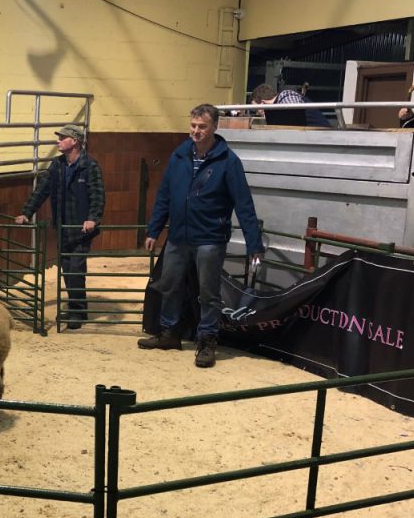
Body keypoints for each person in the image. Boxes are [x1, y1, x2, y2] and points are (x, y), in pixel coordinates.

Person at [138, 103, 264, 368]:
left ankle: (207, 339)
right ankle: (169, 332)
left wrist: (254, 243)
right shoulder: (179, 155)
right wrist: (154, 229)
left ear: (214, 127)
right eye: (193, 126)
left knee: (208, 292)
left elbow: (243, 204)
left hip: (209, 237)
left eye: (202, 127)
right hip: (178, 236)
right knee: (170, 285)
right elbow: (165, 194)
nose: (196, 131)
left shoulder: (228, 162)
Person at [15, 124, 105, 329]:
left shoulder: (89, 166)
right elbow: (41, 191)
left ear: (74, 141)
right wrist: (26, 212)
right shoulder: (57, 165)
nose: (58, 141)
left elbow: (98, 195)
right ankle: (78, 309)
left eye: (62, 137)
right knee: (68, 268)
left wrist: (93, 218)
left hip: (82, 228)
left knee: (75, 268)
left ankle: (76, 310)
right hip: (63, 226)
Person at [251, 83, 330, 127]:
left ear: (263, 103)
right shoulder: (276, 108)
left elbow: (294, 109)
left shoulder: (286, 95)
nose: (257, 113)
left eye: (256, 109)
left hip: (320, 136)